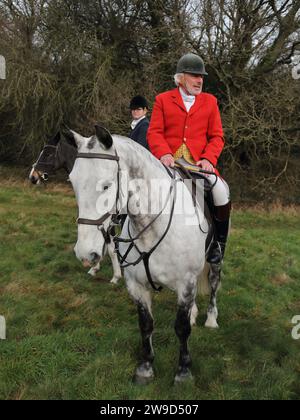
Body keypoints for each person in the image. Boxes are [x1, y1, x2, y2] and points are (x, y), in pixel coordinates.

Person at [147, 53, 231, 265]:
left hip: (198, 166)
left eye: (201, 76)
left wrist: (208, 159)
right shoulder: (162, 100)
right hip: (168, 165)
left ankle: (218, 244)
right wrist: (164, 153)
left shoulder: (210, 102)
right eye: (194, 75)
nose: (200, 80)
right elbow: (154, 133)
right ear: (181, 78)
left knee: (221, 190)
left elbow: (217, 136)